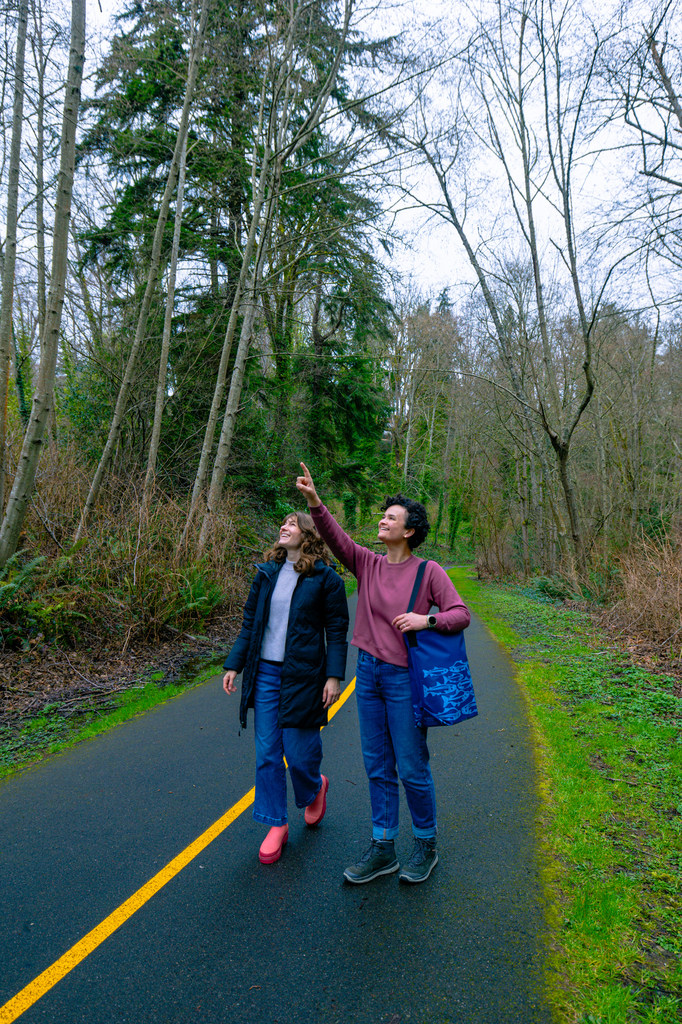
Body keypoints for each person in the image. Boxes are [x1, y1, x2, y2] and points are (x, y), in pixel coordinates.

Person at [296, 463, 471, 885]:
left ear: (409, 531)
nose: (383, 519)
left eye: (391, 516)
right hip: (369, 676)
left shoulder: (430, 572)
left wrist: (424, 621)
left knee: (411, 766)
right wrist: (315, 502)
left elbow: (460, 614)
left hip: (404, 681)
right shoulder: (367, 564)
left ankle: (425, 844)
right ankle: (383, 847)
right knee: (377, 765)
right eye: (384, 514)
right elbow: (337, 539)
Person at [223, 511, 349, 865]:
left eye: (292, 524)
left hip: (305, 676)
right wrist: (235, 664)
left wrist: (333, 676)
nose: (284, 527)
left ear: (307, 534)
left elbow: (336, 632)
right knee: (266, 753)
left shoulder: (326, 580)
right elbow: (250, 625)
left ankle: (313, 787)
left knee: (298, 753)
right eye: (282, 523)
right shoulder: (266, 575)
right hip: (264, 674)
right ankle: (276, 824)